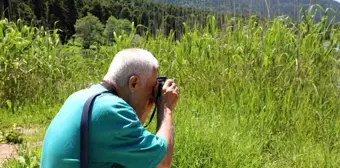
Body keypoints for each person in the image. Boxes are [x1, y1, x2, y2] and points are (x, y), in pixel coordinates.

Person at [40, 48, 179, 168]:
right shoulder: (111, 110)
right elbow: (161, 162)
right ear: (134, 83)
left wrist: (147, 106)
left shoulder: (81, 97)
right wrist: (165, 107)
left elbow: (135, 151)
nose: (152, 95)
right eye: (150, 89)